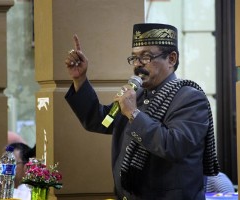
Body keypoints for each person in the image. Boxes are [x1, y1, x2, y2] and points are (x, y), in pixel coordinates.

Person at [64, 23, 220, 200]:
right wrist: (80, 79)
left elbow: (173, 146)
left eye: (145, 57)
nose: (138, 65)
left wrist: (133, 113)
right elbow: (101, 120)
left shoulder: (191, 98)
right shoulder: (136, 95)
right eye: (134, 58)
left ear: (172, 59)